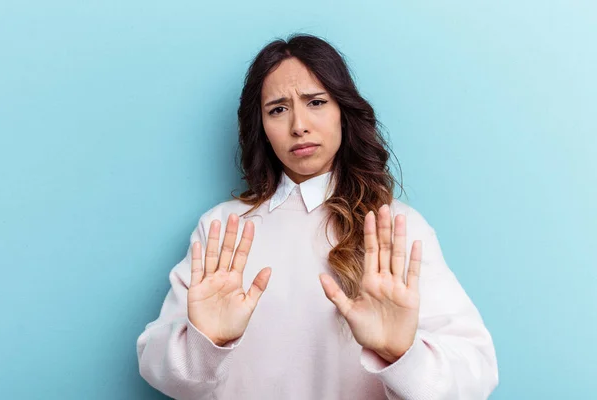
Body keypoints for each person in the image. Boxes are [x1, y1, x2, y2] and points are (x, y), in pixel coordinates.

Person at [136, 33, 499, 400]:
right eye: (277, 109)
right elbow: (158, 368)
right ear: (260, 126)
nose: (299, 125)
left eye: (316, 102)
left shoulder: (395, 228)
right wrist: (206, 342)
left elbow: (476, 372)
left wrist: (401, 354)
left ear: (343, 110)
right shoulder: (223, 228)